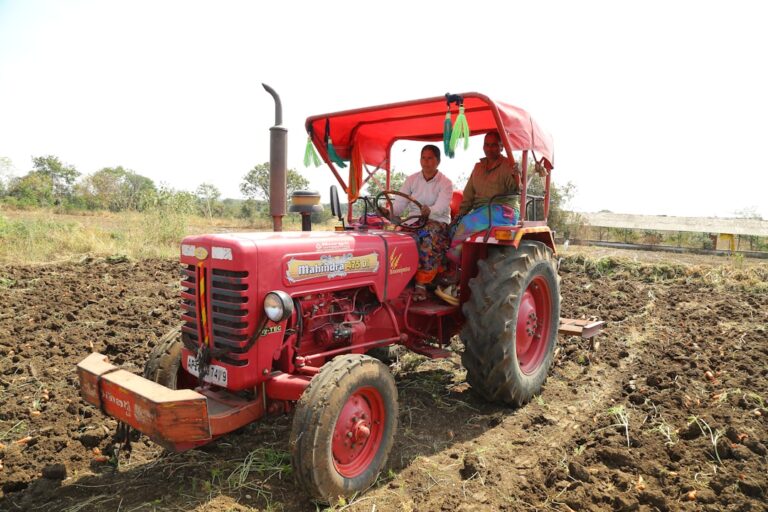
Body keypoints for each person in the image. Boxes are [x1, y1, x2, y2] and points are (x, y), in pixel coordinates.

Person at [435, 131, 520, 305]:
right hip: (481, 211)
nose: (490, 148)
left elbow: (517, 187)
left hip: (503, 210)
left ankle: (455, 274)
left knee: (468, 224)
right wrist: (459, 215)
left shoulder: (508, 165)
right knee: (452, 228)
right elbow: (468, 194)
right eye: (487, 145)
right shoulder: (478, 167)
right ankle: (450, 273)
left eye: (494, 145)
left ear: (502, 147)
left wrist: (517, 173)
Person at [382, 144, 453, 301]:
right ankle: (397, 277)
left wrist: (430, 211)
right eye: (423, 158)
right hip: (414, 220)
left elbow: (441, 207)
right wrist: (390, 211)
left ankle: (421, 283)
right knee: (395, 237)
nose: (426, 162)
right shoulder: (412, 179)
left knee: (426, 236)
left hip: (437, 221)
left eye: (430, 158)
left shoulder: (445, 183)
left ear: (438, 161)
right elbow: (400, 203)